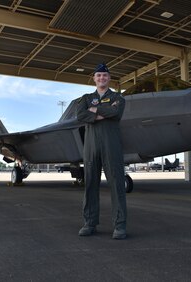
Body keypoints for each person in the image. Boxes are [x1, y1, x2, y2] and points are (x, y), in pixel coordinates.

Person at [76, 63, 127, 239]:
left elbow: (116, 113)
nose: (101, 78)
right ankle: (89, 223)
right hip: (90, 145)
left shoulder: (118, 98)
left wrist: (95, 111)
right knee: (90, 184)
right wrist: (104, 113)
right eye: (98, 76)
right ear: (94, 78)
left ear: (109, 78)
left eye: (105, 76)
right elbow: (80, 115)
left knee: (116, 184)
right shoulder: (85, 98)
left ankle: (119, 226)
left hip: (111, 144)